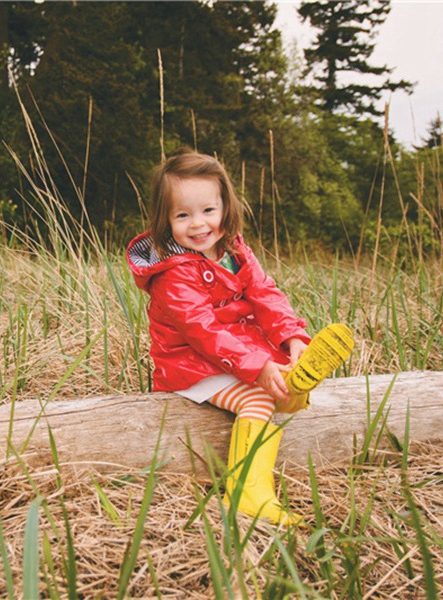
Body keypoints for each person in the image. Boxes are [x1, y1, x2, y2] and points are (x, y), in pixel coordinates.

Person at [126, 149, 353, 526]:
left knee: (276, 378)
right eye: (183, 215)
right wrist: (256, 367)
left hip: (236, 354)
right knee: (257, 399)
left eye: (208, 211)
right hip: (190, 367)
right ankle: (249, 493)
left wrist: (292, 338)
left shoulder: (233, 250)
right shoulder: (172, 274)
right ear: (164, 220)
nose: (198, 225)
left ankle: (294, 381)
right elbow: (204, 332)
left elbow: (266, 294)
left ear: (225, 208)